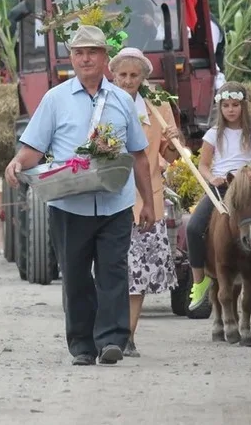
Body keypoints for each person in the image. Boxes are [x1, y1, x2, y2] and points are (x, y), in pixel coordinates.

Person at [5, 25, 155, 366]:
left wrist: (147, 201)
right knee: (74, 275)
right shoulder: (55, 99)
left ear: (105, 58)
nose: (85, 58)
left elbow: (140, 154)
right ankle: (82, 346)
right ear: (71, 58)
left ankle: (113, 340)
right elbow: (33, 148)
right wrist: (16, 163)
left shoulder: (122, 100)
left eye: (92, 52)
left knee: (113, 271)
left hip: (115, 201)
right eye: (79, 53)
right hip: (69, 204)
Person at [109, 48, 181, 358]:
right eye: (122, 75)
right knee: (113, 271)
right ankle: (110, 331)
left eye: (133, 75)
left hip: (146, 199)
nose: (127, 80)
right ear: (113, 76)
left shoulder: (159, 107)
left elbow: (171, 156)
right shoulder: (103, 104)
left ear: (143, 78)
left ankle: (128, 336)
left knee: (136, 272)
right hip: (109, 197)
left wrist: (176, 142)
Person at [186, 81, 251, 312]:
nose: (231, 109)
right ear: (220, 108)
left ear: (243, 106)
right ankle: (199, 280)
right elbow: (204, 165)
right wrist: (211, 178)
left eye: (235, 104)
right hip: (222, 188)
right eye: (226, 105)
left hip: (249, 188)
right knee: (194, 227)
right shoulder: (213, 134)